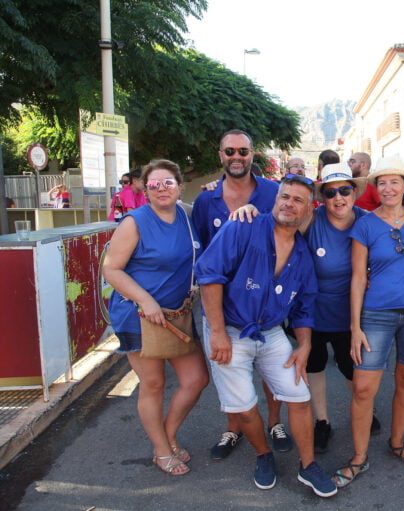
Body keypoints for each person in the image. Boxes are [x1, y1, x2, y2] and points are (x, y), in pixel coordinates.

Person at [195, 174, 337, 498]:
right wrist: (217, 332)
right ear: (276, 199)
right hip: (229, 328)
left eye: (298, 200)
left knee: (299, 395)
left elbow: (304, 306)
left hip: (270, 332)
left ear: (308, 209)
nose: (289, 203)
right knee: (244, 406)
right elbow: (209, 276)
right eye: (284, 196)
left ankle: (308, 465)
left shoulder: (302, 255)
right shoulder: (242, 227)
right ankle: (263, 454)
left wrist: (304, 345)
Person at [102, 159, 209, 476]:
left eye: (168, 183)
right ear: (144, 189)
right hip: (138, 313)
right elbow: (111, 268)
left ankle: (167, 434)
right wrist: (146, 299)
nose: (162, 189)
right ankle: (161, 450)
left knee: (196, 379)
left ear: (179, 185)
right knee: (153, 383)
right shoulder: (134, 222)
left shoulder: (187, 216)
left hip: (177, 315)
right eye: (154, 184)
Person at [191, 130, 292, 460]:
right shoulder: (207, 200)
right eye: (230, 151)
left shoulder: (273, 192)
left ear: (253, 155)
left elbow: (301, 216)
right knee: (228, 371)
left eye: (244, 151)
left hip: (266, 303)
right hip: (223, 308)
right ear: (220, 155)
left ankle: (275, 423)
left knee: (269, 371)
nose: (237, 156)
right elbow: (205, 255)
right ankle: (233, 427)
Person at [332, 154, 404, 487]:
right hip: (376, 314)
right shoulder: (365, 223)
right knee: (363, 388)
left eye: (395, 182)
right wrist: (354, 326)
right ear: (375, 188)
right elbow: (358, 278)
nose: (388, 188)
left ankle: (397, 442)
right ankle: (359, 457)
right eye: (382, 182)